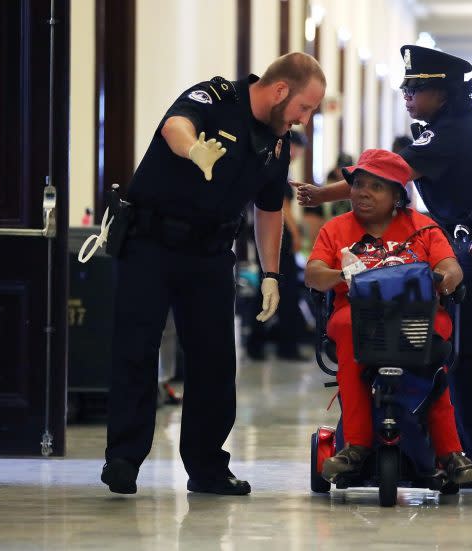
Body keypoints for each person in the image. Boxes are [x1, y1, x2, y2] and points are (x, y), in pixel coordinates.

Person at [296, 46, 472, 488]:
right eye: (406, 87)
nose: (409, 95)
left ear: (444, 94)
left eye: (419, 88)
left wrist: (319, 194)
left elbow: (388, 176)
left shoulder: (445, 133)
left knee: (467, 351)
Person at [101, 52, 326, 495]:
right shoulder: (217, 98)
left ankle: (207, 468)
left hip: (209, 253)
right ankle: (124, 460)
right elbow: (174, 126)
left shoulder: (276, 140)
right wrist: (194, 149)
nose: (304, 120)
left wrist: (272, 275)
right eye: (305, 108)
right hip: (151, 244)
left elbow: (268, 210)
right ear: (281, 91)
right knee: (136, 350)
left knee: (214, 362)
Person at [304, 149, 472, 485]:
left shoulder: (423, 228)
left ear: (398, 196)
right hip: (357, 319)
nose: (362, 192)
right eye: (358, 184)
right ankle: (355, 446)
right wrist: (340, 277)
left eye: (376, 186)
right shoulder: (336, 229)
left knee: (434, 371)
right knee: (353, 349)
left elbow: (450, 267)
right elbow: (314, 273)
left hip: (416, 316)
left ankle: (450, 453)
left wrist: (443, 277)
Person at [245, 130, 308, 360]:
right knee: (286, 290)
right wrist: (295, 233)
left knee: (269, 286)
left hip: (268, 234)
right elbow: (282, 207)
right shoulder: (278, 165)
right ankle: (283, 346)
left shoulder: (270, 162)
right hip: (279, 236)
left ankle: (258, 343)